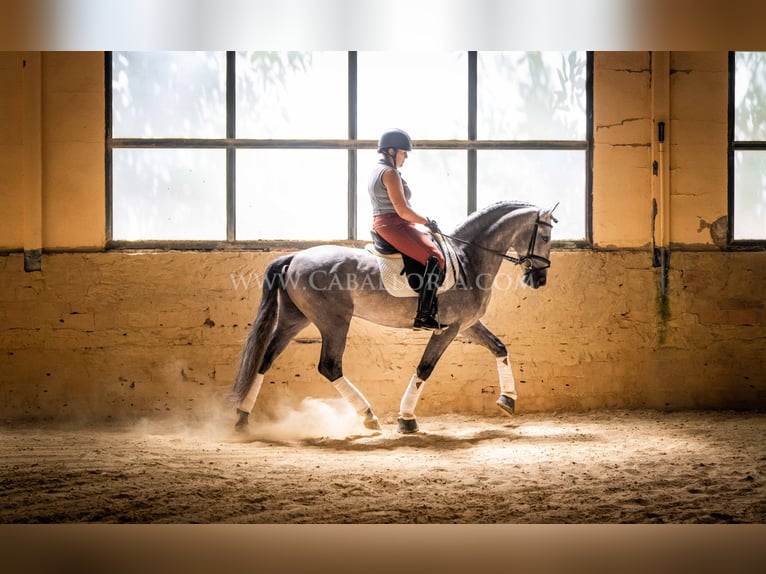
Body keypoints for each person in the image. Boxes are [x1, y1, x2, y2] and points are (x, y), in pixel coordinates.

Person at [368, 128, 447, 331]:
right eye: (404, 153)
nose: (406, 157)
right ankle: (424, 315)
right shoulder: (390, 173)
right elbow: (402, 211)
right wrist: (426, 221)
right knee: (435, 257)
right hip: (394, 224)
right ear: (392, 151)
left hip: (386, 222)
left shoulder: (377, 170)